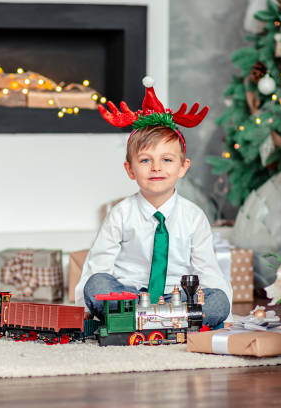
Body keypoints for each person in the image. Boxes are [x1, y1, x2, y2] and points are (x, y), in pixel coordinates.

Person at [74, 77, 232, 328]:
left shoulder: (193, 216)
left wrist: (226, 310)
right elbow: (98, 262)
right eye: (146, 160)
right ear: (130, 169)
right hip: (130, 296)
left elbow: (208, 269)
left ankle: (146, 321)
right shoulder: (121, 213)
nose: (156, 167)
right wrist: (84, 306)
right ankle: (158, 320)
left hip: (178, 298)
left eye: (167, 160)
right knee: (97, 285)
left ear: (183, 167)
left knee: (219, 302)